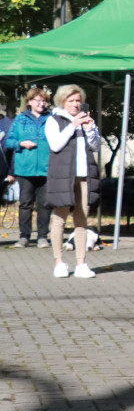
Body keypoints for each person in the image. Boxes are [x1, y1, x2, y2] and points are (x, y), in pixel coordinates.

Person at [45, 85, 100, 278]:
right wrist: (73, 125)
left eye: (78, 100)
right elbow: (55, 144)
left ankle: (81, 263)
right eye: (71, 101)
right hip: (63, 177)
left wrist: (90, 129)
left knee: (82, 219)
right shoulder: (53, 120)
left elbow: (95, 147)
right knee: (59, 218)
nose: (76, 104)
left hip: (84, 176)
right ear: (62, 102)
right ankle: (59, 262)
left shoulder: (85, 120)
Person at [5, 88, 53, 248]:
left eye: (44, 100)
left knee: (44, 204)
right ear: (29, 102)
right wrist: (21, 143)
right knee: (25, 204)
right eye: (38, 100)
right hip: (25, 169)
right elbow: (8, 141)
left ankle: (42, 237)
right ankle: (24, 236)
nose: (41, 103)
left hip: (47, 168)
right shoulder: (20, 119)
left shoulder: (52, 119)